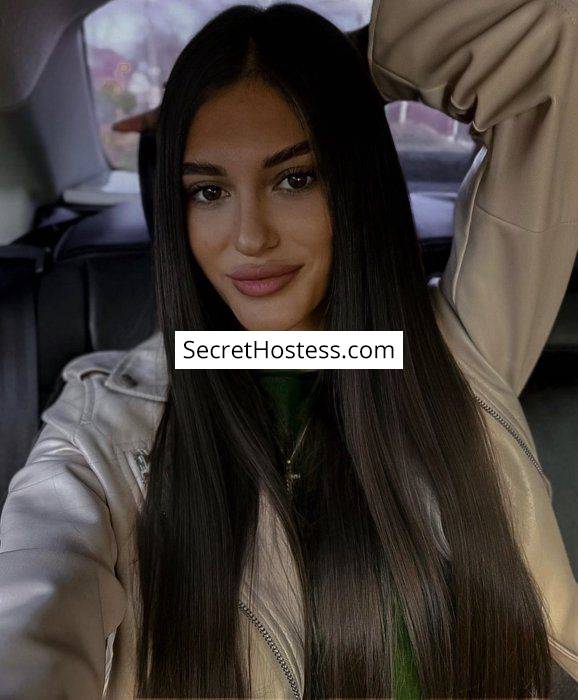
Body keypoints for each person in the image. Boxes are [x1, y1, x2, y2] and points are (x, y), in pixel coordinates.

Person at [1, 1, 577, 698]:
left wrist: (341, 70)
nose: (250, 237)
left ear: (354, 180)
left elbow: (551, 43)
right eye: (208, 191)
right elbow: (34, 603)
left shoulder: (450, 351)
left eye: (294, 179)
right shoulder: (104, 428)